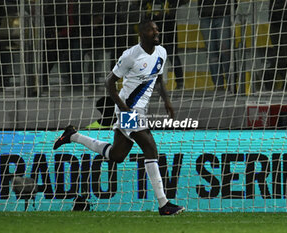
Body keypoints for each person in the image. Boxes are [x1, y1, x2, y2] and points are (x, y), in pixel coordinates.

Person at [53, 19, 185, 215]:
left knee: (117, 155)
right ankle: (163, 204)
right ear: (142, 34)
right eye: (152, 30)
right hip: (128, 108)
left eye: (157, 30)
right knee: (150, 147)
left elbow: (158, 77)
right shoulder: (131, 56)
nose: (157, 33)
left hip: (140, 109)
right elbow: (109, 83)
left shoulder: (162, 52)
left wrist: (166, 100)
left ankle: (73, 135)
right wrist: (124, 110)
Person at [142, 0, 186, 89]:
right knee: (151, 54)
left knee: (172, 54)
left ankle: (180, 82)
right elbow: (139, 3)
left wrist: (172, 6)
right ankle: (152, 82)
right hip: (151, 24)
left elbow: (183, 1)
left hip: (168, 23)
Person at [198, 0, 232, 91]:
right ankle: (219, 85)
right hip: (206, 14)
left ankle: (230, 84)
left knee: (225, 51)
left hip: (223, 12)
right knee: (212, 53)